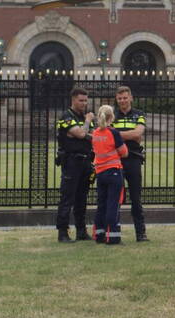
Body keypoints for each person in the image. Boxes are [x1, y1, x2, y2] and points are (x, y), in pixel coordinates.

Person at [55, 87, 95, 243]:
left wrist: (82, 133)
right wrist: (86, 126)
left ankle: (81, 231)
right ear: (73, 100)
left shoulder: (83, 117)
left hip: (86, 161)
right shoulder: (66, 116)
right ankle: (63, 232)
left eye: (86, 100)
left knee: (81, 198)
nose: (84, 103)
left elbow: (92, 136)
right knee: (67, 198)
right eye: (81, 100)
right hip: (71, 161)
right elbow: (81, 134)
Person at [114, 86, 149, 242]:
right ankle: (114, 233)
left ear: (131, 98)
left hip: (134, 159)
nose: (122, 101)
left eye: (125, 98)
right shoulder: (112, 115)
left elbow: (138, 133)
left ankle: (141, 233)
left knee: (136, 198)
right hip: (116, 160)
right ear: (117, 99)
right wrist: (131, 135)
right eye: (120, 98)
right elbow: (133, 135)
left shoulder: (139, 114)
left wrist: (116, 134)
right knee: (116, 198)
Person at [91, 104, 128, 245]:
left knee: (102, 204)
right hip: (113, 171)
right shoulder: (113, 133)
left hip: (100, 173)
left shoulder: (95, 133)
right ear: (111, 117)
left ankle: (99, 234)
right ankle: (113, 236)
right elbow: (124, 152)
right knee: (113, 204)